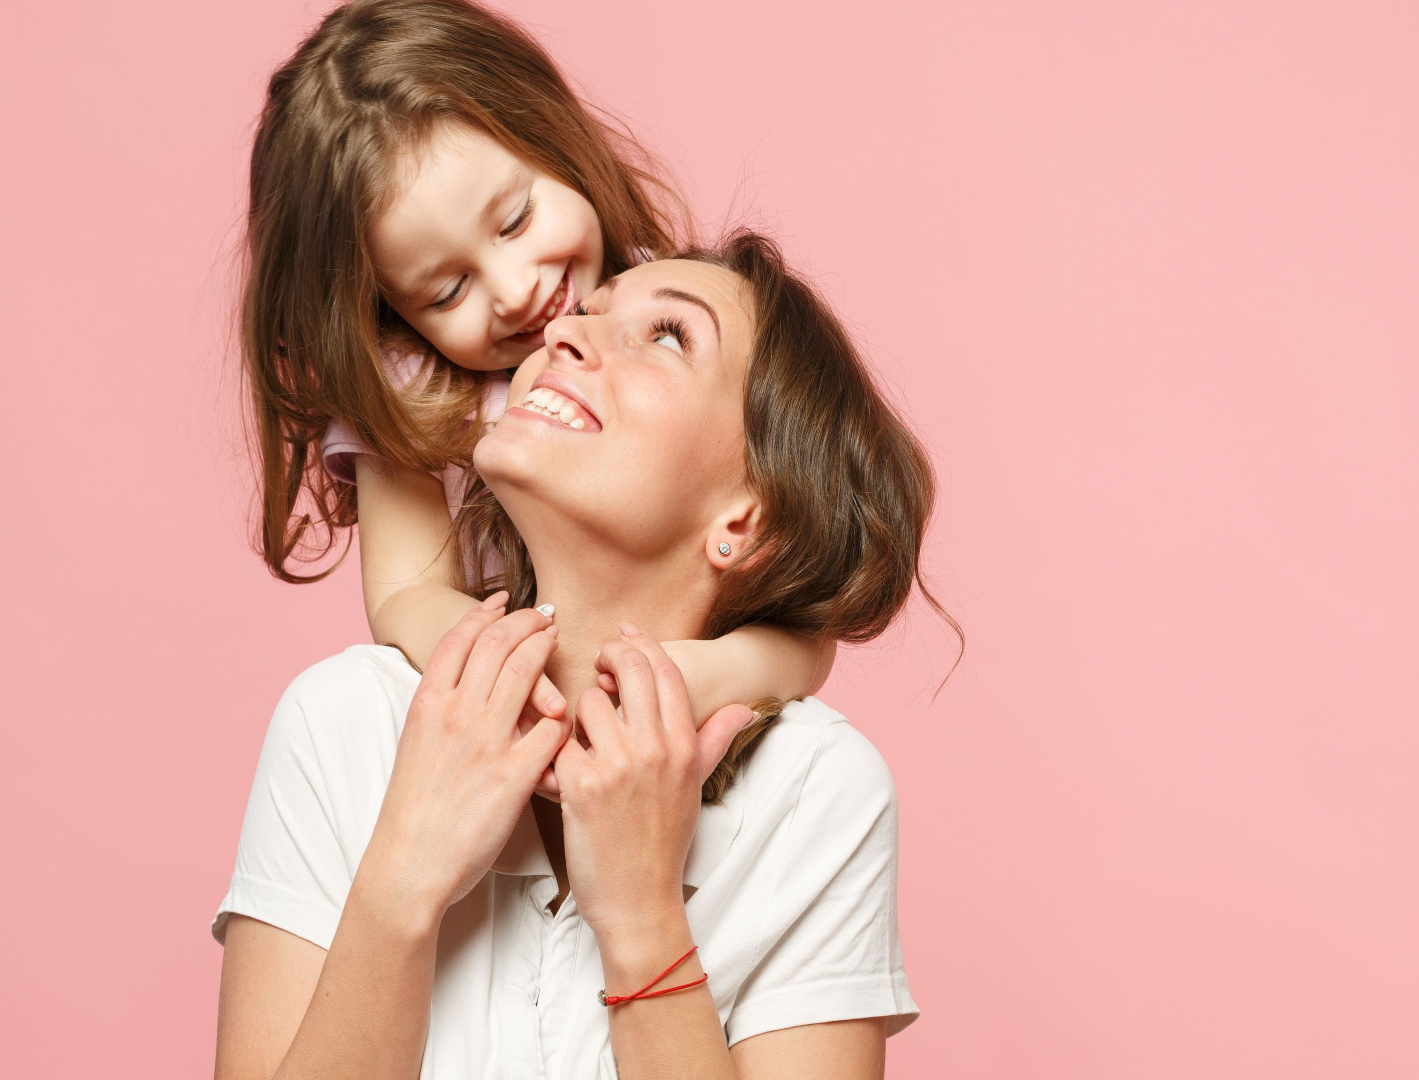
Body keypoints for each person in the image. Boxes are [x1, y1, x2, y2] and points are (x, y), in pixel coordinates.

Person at [216, 233, 947, 1079]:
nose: (560, 333)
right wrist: (401, 885)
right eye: (589, 313)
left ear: (745, 520)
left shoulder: (817, 794)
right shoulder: (344, 720)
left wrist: (642, 921)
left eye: (669, 335)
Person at [241, 0, 833, 733]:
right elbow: (406, 596)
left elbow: (803, 625)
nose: (518, 289)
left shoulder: (659, 317)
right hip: (516, 736)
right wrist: (528, 680)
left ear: (552, 140)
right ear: (391, 313)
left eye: (516, 220)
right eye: (448, 290)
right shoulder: (410, 397)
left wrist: (711, 671)